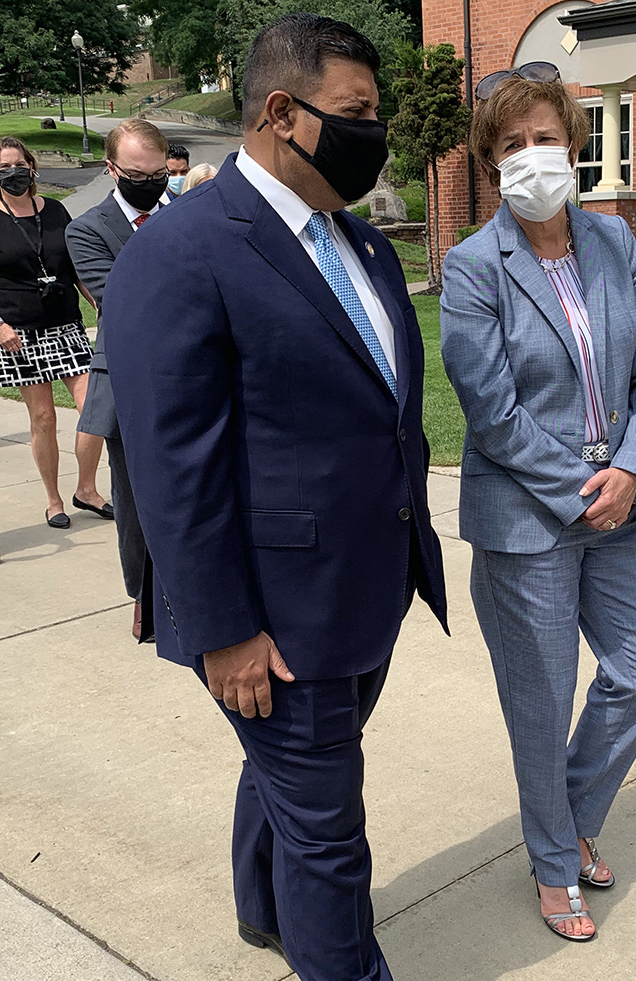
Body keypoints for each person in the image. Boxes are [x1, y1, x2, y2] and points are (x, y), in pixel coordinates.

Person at [102, 14, 448, 981]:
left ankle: (263, 909)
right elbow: (171, 466)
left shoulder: (365, 247)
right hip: (269, 625)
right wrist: (225, 631)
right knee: (330, 835)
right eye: (358, 111)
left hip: (361, 595)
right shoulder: (180, 253)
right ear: (282, 112)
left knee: (292, 790)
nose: (375, 130)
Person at [440, 69, 636, 942]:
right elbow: (489, 408)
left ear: (574, 146)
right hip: (529, 519)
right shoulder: (472, 268)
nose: (533, 156)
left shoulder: (615, 244)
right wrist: (584, 493)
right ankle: (553, 861)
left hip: (620, 506)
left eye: (546, 138)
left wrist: (633, 473)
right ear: (491, 163)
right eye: (512, 145)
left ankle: (565, 814)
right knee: (541, 703)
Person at [66, 118, 171, 639]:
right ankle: (144, 596)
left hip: (202, 375)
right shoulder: (87, 229)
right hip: (129, 380)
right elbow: (120, 301)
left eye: (157, 173)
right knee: (134, 498)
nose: (149, 182)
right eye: (135, 173)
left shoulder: (194, 212)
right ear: (111, 169)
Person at [0, 136, 110, 528]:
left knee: (92, 408)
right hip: (19, 332)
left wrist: (95, 296)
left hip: (65, 324)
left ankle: (87, 489)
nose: (13, 172)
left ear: (30, 166)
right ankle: (53, 499)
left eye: (18, 164)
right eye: (4, 167)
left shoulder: (56, 210)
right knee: (44, 416)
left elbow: (74, 264)